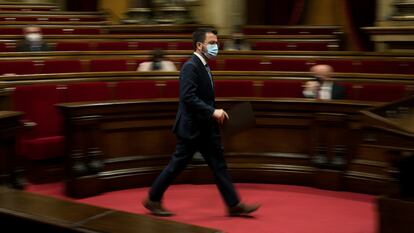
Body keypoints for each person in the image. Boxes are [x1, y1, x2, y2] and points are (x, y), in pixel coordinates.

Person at [142, 28, 260, 217]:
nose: (216, 46)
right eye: (212, 43)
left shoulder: (204, 65)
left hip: (205, 127)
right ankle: (153, 199)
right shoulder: (191, 66)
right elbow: (188, 97)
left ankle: (233, 204)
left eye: (216, 43)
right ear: (199, 45)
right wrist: (212, 111)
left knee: (218, 165)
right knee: (177, 165)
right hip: (192, 128)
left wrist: (213, 113)